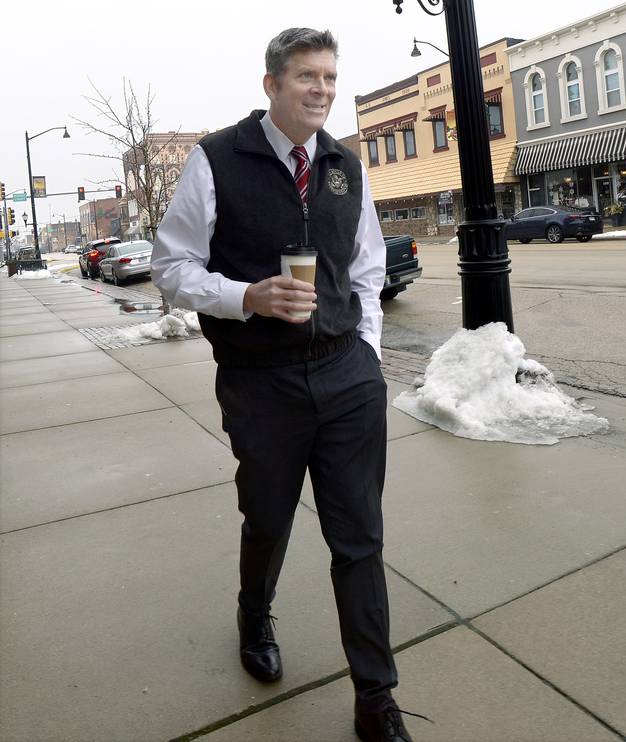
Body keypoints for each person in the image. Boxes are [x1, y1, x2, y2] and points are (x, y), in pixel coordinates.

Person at [151, 27, 414, 742]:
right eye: (307, 77)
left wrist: (367, 352)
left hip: (346, 376)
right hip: (260, 381)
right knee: (268, 517)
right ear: (271, 84)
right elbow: (171, 269)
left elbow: (365, 266)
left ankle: (376, 696)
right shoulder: (216, 160)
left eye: (330, 77)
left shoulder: (342, 165)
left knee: (359, 537)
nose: (322, 90)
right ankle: (253, 611)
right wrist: (249, 297)